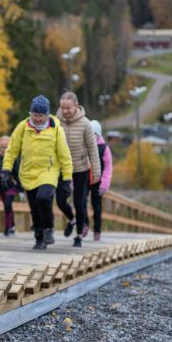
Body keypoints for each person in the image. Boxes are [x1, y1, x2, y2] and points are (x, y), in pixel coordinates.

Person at [1, 95, 73, 250]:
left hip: (48, 171)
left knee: (44, 197)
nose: (38, 119)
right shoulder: (23, 127)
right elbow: (11, 150)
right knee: (34, 206)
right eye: (35, 115)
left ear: (47, 115)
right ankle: (39, 238)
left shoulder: (55, 129)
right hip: (27, 172)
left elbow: (64, 155)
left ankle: (48, 229)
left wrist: (67, 179)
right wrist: (6, 170)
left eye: (41, 116)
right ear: (30, 113)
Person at [55, 91, 101, 247]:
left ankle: (79, 235)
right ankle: (72, 219)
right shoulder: (55, 123)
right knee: (60, 200)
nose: (65, 111)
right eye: (63, 108)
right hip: (61, 168)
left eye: (68, 108)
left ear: (76, 105)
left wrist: (96, 172)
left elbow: (93, 149)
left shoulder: (85, 123)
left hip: (80, 168)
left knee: (79, 202)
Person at [89, 120, 113, 241]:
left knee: (96, 206)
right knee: (80, 203)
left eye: (94, 134)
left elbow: (108, 168)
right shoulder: (84, 146)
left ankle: (97, 230)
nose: (91, 136)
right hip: (84, 179)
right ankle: (84, 224)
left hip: (98, 181)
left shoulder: (104, 148)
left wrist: (104, 185)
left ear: (98, 134)